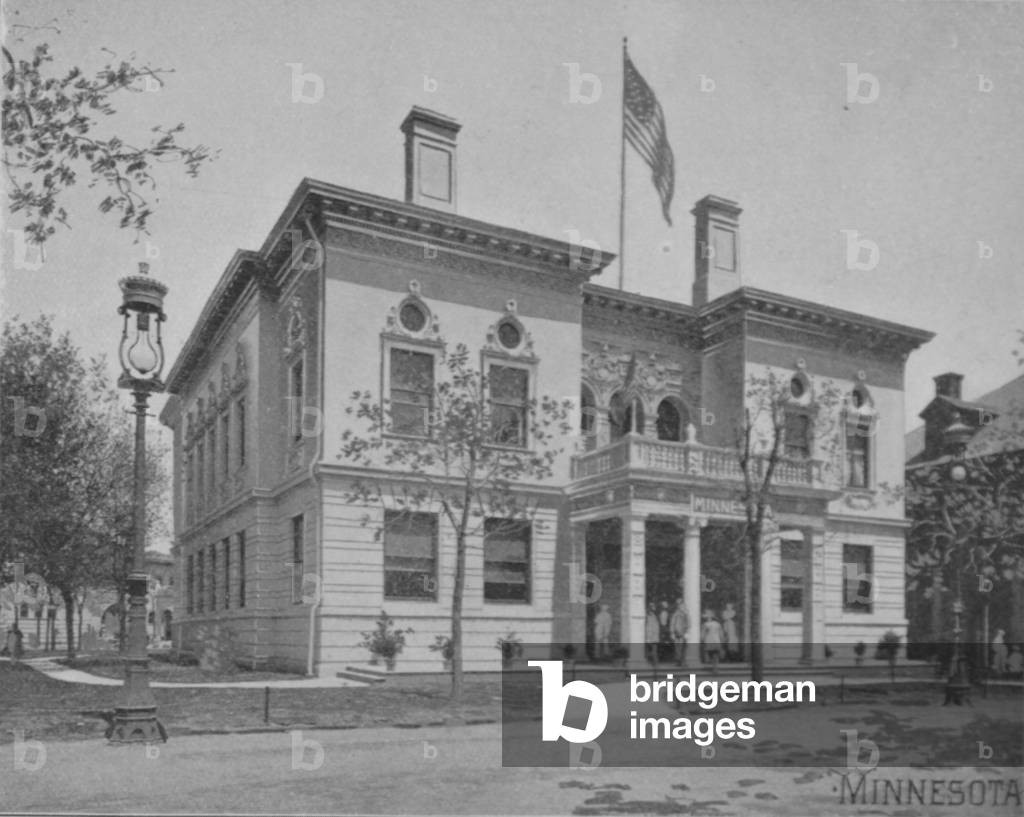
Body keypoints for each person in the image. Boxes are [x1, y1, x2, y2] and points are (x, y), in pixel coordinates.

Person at [701, 610, 724, 674]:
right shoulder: (717, 624)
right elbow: (721, 634)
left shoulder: (705, 624)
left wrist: (702, 640)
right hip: (716, 641)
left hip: (709, 641)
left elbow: (703, 634)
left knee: (711, 654)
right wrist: (722, 641)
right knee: (715, 655)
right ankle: (715, 668)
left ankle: (714, 668)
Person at [670, 598, 689, 666]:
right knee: (678, 648)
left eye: (682, 604)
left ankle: (682, 661)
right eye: (680, 605)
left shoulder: (685, 613)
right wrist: (672, 632)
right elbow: (672, 623)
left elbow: (688, 623)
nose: (681, 606)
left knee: (683, 648)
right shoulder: (676, 614)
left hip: (683, 633)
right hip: (677, 633)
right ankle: (679, 661)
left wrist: (687, 631)